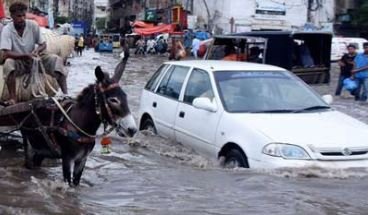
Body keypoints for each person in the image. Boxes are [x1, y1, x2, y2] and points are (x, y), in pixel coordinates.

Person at [0, 2, 67, 105]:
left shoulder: (33, 25)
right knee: (8, 64)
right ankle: (13, 98)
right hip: (19, 62)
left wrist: (37, 51)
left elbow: (43, 44)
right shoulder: (7, 30)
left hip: (35, 59)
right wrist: (25, 55)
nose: (22, 18)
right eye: (18, 16)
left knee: (56, 60)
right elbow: (6, 53)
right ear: (12, 16)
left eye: (23, 15)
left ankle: (65, 94)